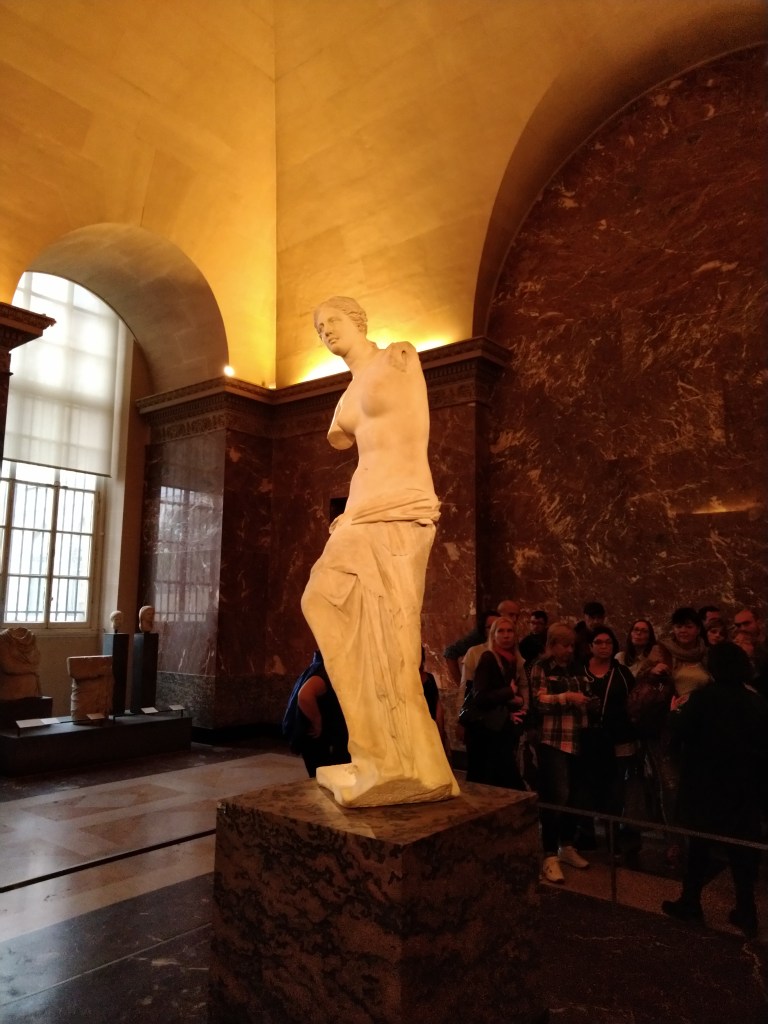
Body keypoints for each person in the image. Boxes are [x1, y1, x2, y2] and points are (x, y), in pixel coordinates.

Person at [301, 296, 459, 807]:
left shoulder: (399, 358)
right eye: (320, 327)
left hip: (401, 503)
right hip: (361, 509)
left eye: (334, 321)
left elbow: (414, 433)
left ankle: (403, 764)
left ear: (359, 322)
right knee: (324, 602)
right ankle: (375, 754)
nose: (326, 331)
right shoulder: (343, 401)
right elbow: (348, 442)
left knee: (391, 633)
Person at [661, 643, 768, 939]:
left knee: (700, 846)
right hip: (742, 787)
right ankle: (747, 912)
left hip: (705, 785)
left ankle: (691, 902)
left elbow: (679, 729)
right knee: (741, 851)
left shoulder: (702, 699)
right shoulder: (756, 702)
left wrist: (673, 712)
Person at [530, 622, 592, 884]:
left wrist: (587, 700)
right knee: (557, 795)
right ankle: (549, 854)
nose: (569, 650)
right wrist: (567, 697)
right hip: (553, 740)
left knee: (576, 796)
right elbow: (539, 701)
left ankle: (567, 845)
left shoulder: (577, 667)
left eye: (572, 646)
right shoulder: (542, 667)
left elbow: (587, 692)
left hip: (578, 738)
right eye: (565, 645)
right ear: (553, 645)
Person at [575, 625, 637, 853]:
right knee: (585, 785)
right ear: (590, 646)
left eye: (608, 642)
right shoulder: (578, 671)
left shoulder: (622, 673)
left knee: (616, 787)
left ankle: (612, 834)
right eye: (598, 642)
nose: (604, 647)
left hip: (617, 738)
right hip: (586, 737)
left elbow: (633, 703)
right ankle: (586, 832)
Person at [464, 616, 526, 789]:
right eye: (501, 631)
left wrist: (514, 702)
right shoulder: (489, 658)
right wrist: (509, 692)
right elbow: (480, 696)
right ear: (493, 635)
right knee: (492, 779)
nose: (506, 635)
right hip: (485, 730)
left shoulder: (510, 659)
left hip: (497, 727)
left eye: (509, 631)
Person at [574, 601, 606, 665]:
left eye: (599, 618)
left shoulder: (608, 636)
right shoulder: (575, 637)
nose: (596, 621)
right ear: (585, 617)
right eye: (592, 617)